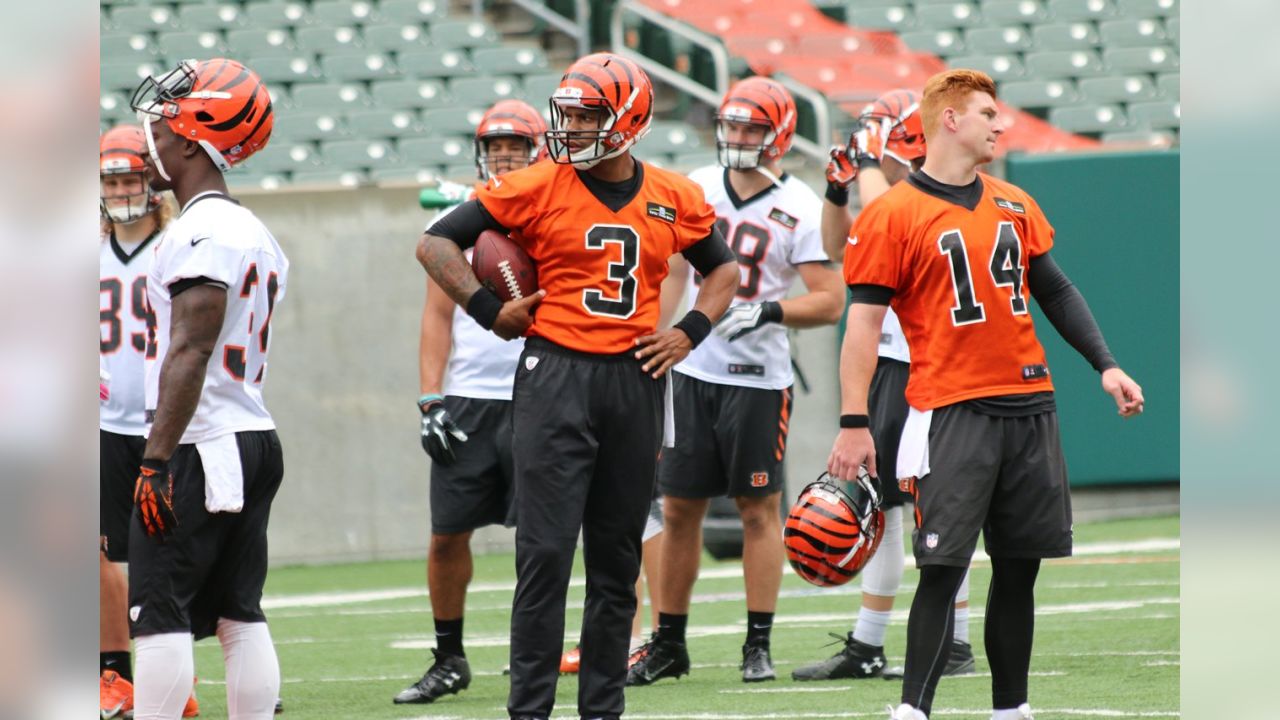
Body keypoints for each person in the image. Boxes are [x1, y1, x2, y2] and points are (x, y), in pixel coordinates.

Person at [416, 52, 739, 720]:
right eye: (567, 114)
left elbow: (724, 270)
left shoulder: (674, 194)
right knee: (545, 554)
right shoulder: (536, 184)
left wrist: (690, 332)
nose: (572, 128)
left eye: (588, 116)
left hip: (636, 377)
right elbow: (437, 244)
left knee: (617, 558)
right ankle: (529, 710)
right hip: (555, 372)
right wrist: (488, 310)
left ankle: (602, 708)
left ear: (628, 120)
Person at [827, 69, 1144, 720]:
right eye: (987, 113)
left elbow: (1054, 289)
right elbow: (861, 325)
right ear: (949, 120)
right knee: (943, 565)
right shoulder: (893, 212)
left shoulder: (1014, 202)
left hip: (1029, 404)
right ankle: (913, 709)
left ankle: (1011, 710)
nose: (1001, 125)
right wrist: (854, 419)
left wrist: (1104, 365)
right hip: (953, 406)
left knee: (1020, 566)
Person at [625, 76, 843, 687]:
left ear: (777, 136)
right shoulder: (694, 185)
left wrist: (771, 310)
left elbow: (829, 301)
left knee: (756, 508)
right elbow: (669, 268)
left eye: (751, 127)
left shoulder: (798, 204)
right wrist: (660, 329)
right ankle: (669, 642)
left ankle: (757, 643)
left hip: (758, 379)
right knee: (679, 507)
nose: (738, 137)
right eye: (733, 125)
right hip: (692, 368)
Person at [792, 90, 975, 682]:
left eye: (877, 134)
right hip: (891, 367)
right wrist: (835, 190)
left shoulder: (923, 194)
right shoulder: (887, 195)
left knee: (936, 510)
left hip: (930, 367)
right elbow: (836, 246)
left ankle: (958, 642)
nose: (869, 144)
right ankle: (869, 644)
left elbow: (886, 215)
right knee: (883, 510)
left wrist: (869, 167)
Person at [127, 58, 288, 720]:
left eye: (162, 128)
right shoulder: (250, 228)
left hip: (200, 443)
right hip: (247, 431)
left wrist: (157, 458)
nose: (151, 141)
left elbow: (191, 349)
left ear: (192, 140)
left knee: (159, 613)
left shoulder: (201, 229)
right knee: (237, 611)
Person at [394, 99, 544, 705]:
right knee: (446, 534)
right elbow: (436, 317)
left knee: (541, 534)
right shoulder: (463, 219)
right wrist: (430, 399)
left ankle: (531, 650)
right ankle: (449, 657)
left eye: (515, 147)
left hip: (537, 389)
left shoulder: (552, 213)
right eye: (495, 147)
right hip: (470, 397)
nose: (503, 157)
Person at [98, 125, 200, 719]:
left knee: (176, 554)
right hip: (107, 423)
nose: (121, 189)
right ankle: (115, 676)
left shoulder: (177, 246)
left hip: (169, 425)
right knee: (102, 554)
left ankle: (175, 676)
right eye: (111, 179)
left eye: (130, 176)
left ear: (152, 181)